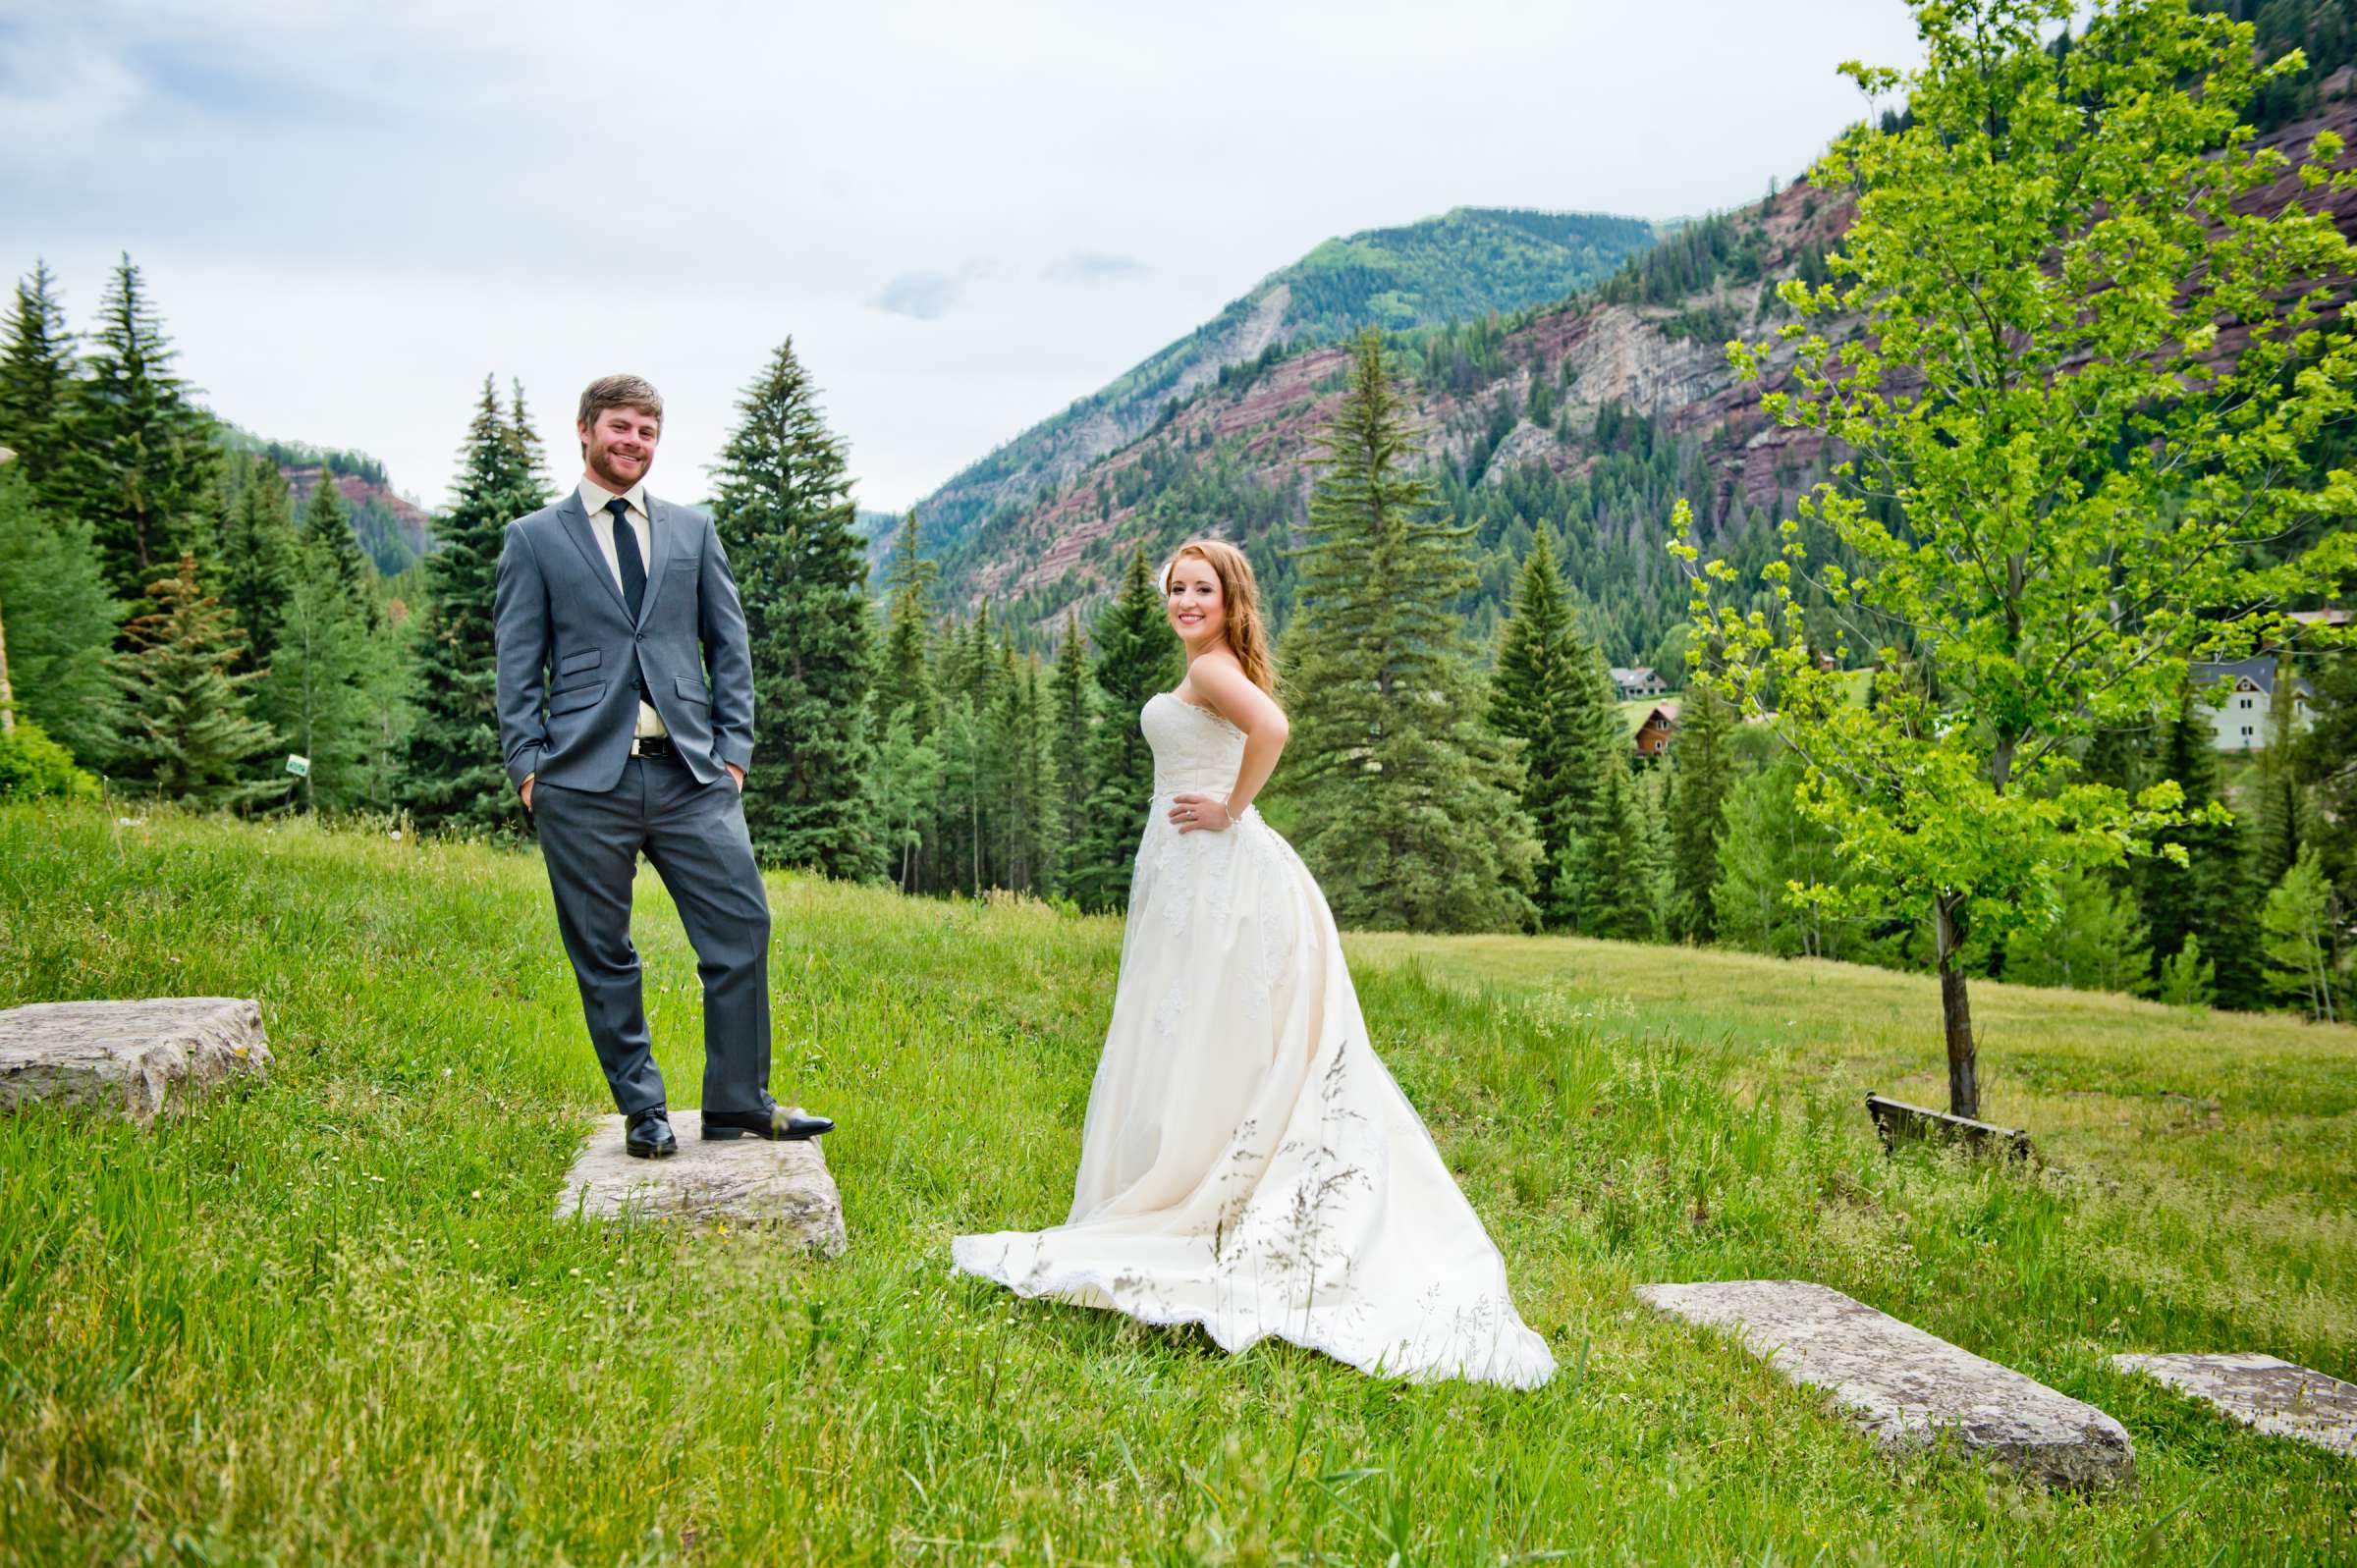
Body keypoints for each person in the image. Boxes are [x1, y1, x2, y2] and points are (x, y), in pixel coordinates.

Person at [953, 538, 1552, 1386]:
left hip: (1220, 876)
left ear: (1232, 600)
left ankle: (1213, 1188)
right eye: (1176, 588)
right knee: (1206, 1036)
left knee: (1213, 1033)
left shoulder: (1211, 670)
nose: (1185, 601)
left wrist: (1232, 808)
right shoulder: (1207, 665)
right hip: (1199, 874)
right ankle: (1203, 1170)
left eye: (1201, 588)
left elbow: (1273, 728)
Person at [493, 373, 831, 1159]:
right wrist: (528, 769)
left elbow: (729, 646)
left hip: (690, 775)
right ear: (585, 430)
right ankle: (642, 1109)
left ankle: (738, 1102)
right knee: (604, 949)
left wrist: (733, 755)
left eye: (647, 431)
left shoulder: (692, 531)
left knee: (742, 927)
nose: (633, 443)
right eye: (620, 427)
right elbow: (517, 664)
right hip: (581, 780)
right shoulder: (535, 538)